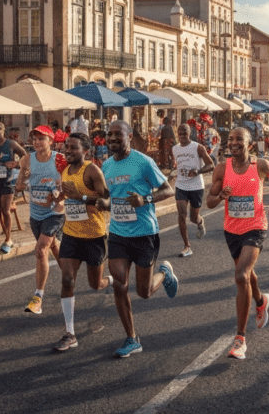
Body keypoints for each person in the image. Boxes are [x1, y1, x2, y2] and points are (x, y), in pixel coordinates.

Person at [206, 127, 269, 360]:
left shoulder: (259, 165)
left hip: (256, 226)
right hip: (232, 229)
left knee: (241, 275)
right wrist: (220, 196)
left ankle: (240, 339)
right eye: (230, 139)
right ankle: (261, 301)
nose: (233, 143)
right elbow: (209, 202)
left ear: (249, 144)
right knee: (247, 275)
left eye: (239, 139)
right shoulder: (222, 168)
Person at [102, 120, 179, 359]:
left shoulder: (143, 162)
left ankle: (164, 273)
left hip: (144, 233)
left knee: (144, 292)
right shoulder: (106, 165)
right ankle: (132, 339)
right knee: (120, 285)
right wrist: (100, 204)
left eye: (118, 134)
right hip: (118, 234)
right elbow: (109, 198)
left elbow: (168, 190)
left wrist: (145, 199)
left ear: (129, 136)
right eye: (109, 134)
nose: (112, 138)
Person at [50, 133, 112, 352]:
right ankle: (70, 334)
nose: (68, 151)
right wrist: (58, 197)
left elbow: (107, 200)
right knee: (67, 280)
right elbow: (67, 199)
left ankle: (111, 281)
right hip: (71, 234)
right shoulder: (65, 171)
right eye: (66, 146)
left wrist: (81, 197)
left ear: (85, 151)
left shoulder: (92, 170)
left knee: (96, 284)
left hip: (94, 236)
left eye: (73, 147)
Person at [14, 125, 67, 315]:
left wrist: (57, 196)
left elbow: (68, 185)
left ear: (51, 141)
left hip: (55, 213)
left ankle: (38, 297)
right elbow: (19, 186)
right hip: (35, 213)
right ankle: (68, 275)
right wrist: (23, 175)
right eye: (34, 139)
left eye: (41, 138)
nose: (37, 142)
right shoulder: (27, 159)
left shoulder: (59, 159)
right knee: (52, 246)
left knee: (41, 249)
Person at [172, 123, 213, 257]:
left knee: (193, 218)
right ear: (177, 134)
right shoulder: (175, 149)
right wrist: (174, 173)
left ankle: (200, 222)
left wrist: (198, 171)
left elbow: (211, 165)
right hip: (181, 185)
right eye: (180, 133)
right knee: (181, 215)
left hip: (196, 186)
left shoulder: (198, 147)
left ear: (189, 133)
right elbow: (178, 164)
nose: (182, 136)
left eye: (185, 133)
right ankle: (187, 246)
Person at [0, 122, 27, 254]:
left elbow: (25, 156)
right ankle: (3, 237)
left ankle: (8, 239)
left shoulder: (11, 144)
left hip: (8, 181)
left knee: (5, 210)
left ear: (4, 131)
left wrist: (16, 164)